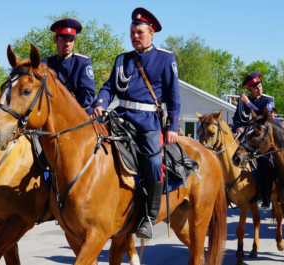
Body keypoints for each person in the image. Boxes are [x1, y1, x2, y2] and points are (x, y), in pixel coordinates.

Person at [91, 7, 180, 239]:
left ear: (151, 33)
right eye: (132, 32)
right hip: (119, 117)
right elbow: (110, 86)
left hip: (147, 122)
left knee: (152, 163)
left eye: (140, 32)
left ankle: (149, 218)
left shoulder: (165, 58)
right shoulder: (123, 59)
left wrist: (171, 127)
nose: (135, 36)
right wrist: (100, 102)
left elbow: (173, 97)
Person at [232, 72, 274, 209]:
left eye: (260, 86)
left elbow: (263, 117)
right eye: (255, 88)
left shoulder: (268, 100)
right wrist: (237, 127)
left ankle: (266, 194)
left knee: (265, 160)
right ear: (249, 89)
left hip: (261, 135)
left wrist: (248, 103)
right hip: (245, 134)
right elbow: (237, 118)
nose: (259, 89)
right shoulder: (241, 101)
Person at [41, 18, 96, 109]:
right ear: (55, 39)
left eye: (71, 40)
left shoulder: (82, 62)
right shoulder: (45, 63)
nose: (67, 44)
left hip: (74, 112)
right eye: (64, 39)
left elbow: (88, 96)